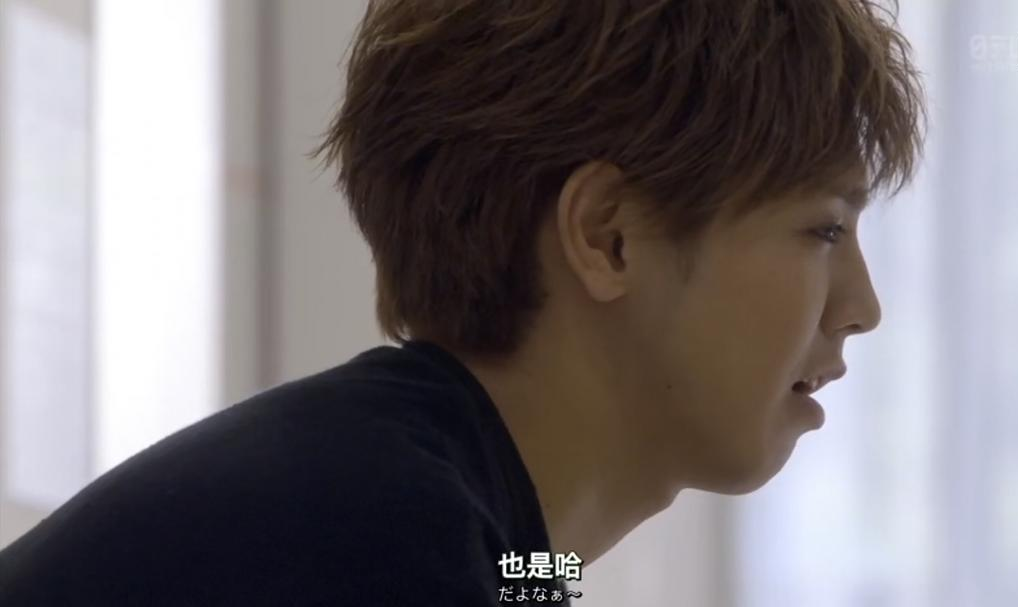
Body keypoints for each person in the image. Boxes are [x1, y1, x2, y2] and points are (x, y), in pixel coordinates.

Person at [0, 0, 926, 604]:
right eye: (824, 229)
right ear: (608, 235)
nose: (862, 307)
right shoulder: (375, 535)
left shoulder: (460, 525)